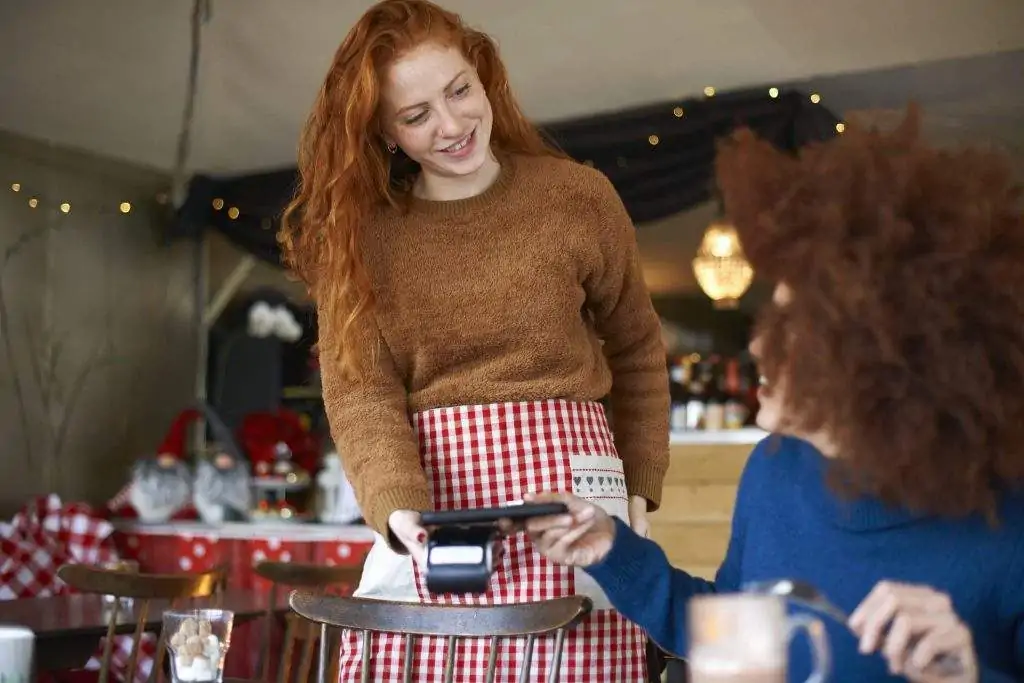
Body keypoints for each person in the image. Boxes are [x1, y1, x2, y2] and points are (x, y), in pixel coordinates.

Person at [521, 108, 1024, 683]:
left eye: (793, 329)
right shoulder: (775, 469)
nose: (758, 345)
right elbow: (736, 638)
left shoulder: (1009, 519)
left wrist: (965, 674)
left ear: (890, 362)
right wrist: (612, 549)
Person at [277, 0, 669, 679]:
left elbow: (636, 347)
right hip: (432, 504)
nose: (453, 124)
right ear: (386, 134)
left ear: (484, 76)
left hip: (576, 494)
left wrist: (637, 487)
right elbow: (361, 390)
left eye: (459, 90)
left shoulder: (578, 198)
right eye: (416, 113)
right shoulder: (364, 236)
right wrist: (397, 506)